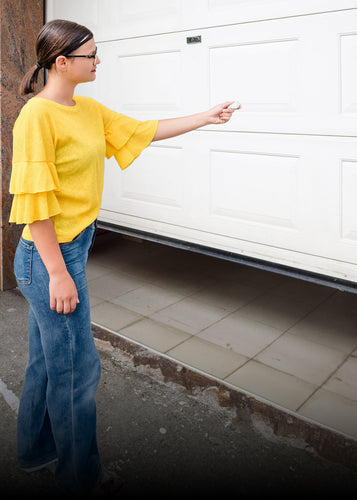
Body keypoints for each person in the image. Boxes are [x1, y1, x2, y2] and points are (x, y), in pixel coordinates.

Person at [9, 18, 237, 494]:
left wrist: (203, 117)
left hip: (65, 252)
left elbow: (142, 131)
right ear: (62, 62)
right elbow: (35, 201)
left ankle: (34, 451)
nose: (99, 61)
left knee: (45, 361)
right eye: (92, 55)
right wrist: (58, 273)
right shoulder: (37, 116)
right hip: (48, 258)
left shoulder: (87, 109)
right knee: (76, 369)